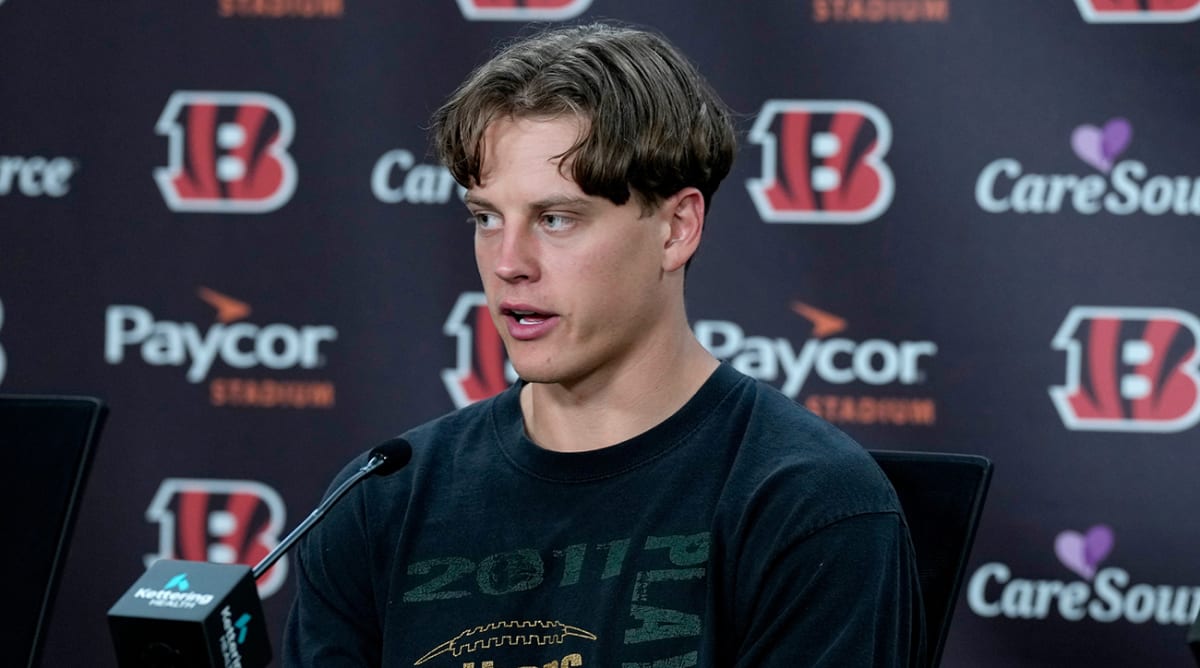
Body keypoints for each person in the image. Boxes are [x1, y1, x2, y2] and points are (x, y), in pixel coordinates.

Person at [284, 22, 925, 667]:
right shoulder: (380, 499)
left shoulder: (807, 505)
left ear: (677, 229)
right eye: (487, 219)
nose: (509, 263)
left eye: (556, 219)